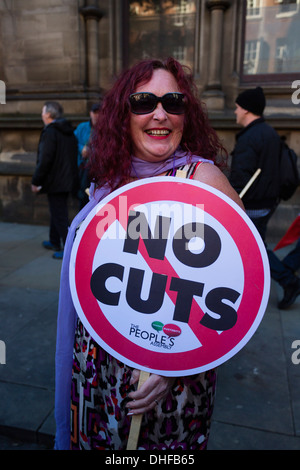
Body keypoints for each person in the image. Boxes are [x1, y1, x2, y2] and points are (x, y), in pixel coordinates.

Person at [54, 57, 244, 450]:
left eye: (173, 102)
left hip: (164, 389)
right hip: (96, 369)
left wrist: (179, 366)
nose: (160, 114)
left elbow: (242, 287)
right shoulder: (112, 182)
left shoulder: (203, 181)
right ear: (123, 114)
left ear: (185, 114)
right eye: (143, 102)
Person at [229, 87, 300, 309]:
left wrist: (231, 203)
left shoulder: (250, 138)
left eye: (238, 107)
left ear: (247, 110)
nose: (235, 112)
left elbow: (241, 177)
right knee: (254, 248)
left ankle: (289, 282)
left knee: (254, 250)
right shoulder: (270, 133)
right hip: (267, 202)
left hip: (251, 205)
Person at [31, 101, 78, 260]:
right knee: (57, 211)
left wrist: (36, 181)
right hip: (67, 179)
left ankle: (68, 250)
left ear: (49, 115)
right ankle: (54, 241)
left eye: (43, 112)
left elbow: (45, 159)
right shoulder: (68, 131)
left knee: (60, 215)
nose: (42, 115)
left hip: (55, 180)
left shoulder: (50, 132)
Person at [74, 103, 101, 209]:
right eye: (95, 113)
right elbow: (73, 142)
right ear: (90, 113)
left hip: (98, 171)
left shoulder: (106, 128)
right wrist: (82, 149)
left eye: (100, 113)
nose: (97, 115)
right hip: (83, 169)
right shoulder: (82, 127)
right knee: (83, 199)